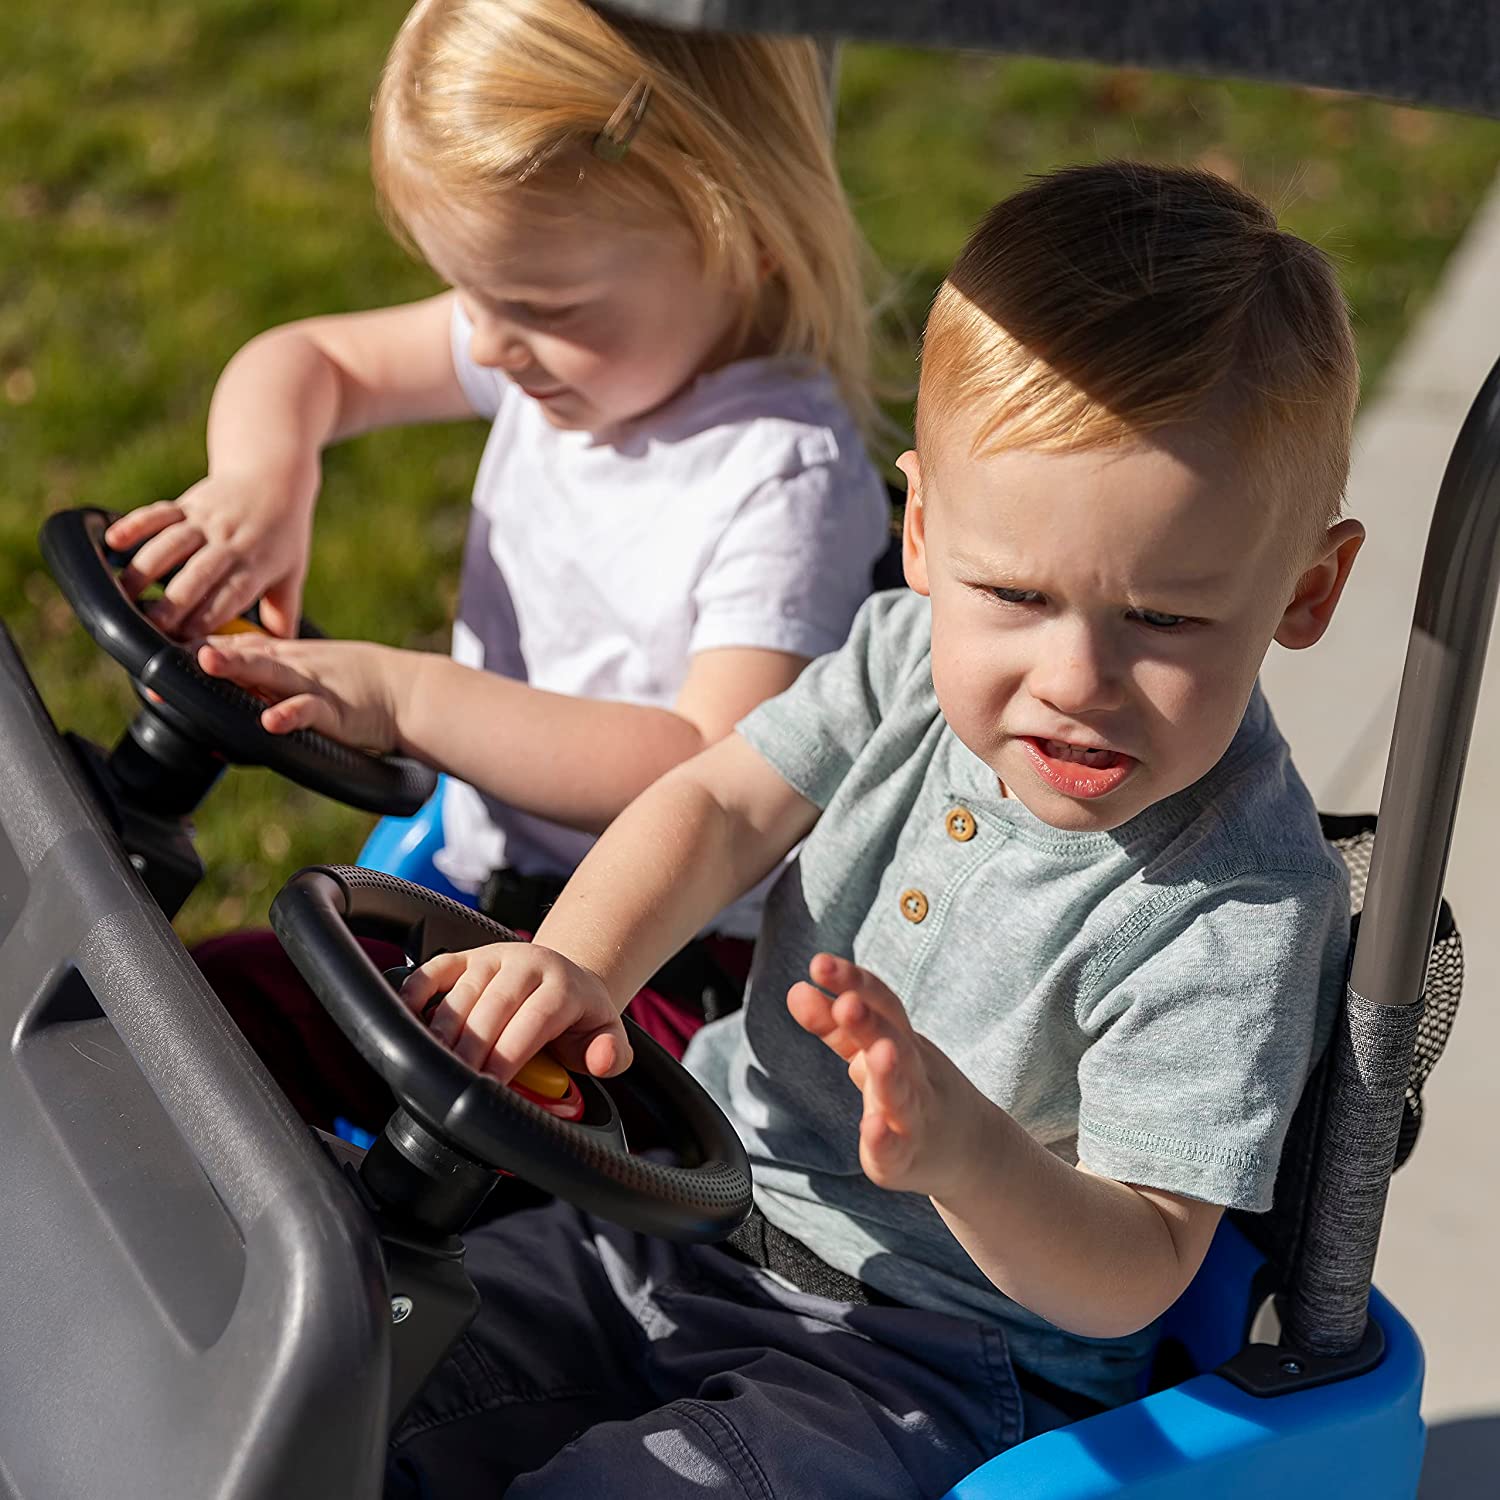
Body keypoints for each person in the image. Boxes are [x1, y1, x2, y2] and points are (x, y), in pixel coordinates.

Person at [319, 159, 1364, 1498]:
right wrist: (578, 963)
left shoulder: (1237, 905)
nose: (1075, 678)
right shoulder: (906, 660)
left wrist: (968, 1156)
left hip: (931, 1359)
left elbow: (1144, 1263)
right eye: (1015, 595)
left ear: (1307, 591)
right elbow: (718, 803)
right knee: (355, 1371)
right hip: (677, 1219)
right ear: (921, 531)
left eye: (1163, 621)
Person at [106, 0, 890, 1098]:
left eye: (536, 303)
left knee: (233, 1040)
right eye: (469, 293)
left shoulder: (783, 477)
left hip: (642, 981)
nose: (482, 342)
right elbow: (311, 361)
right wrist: (260, 482)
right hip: (480, 883)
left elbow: (705, 769)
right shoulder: (580, 344)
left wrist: (407, 699)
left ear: (746, 235)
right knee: (202, 1016)